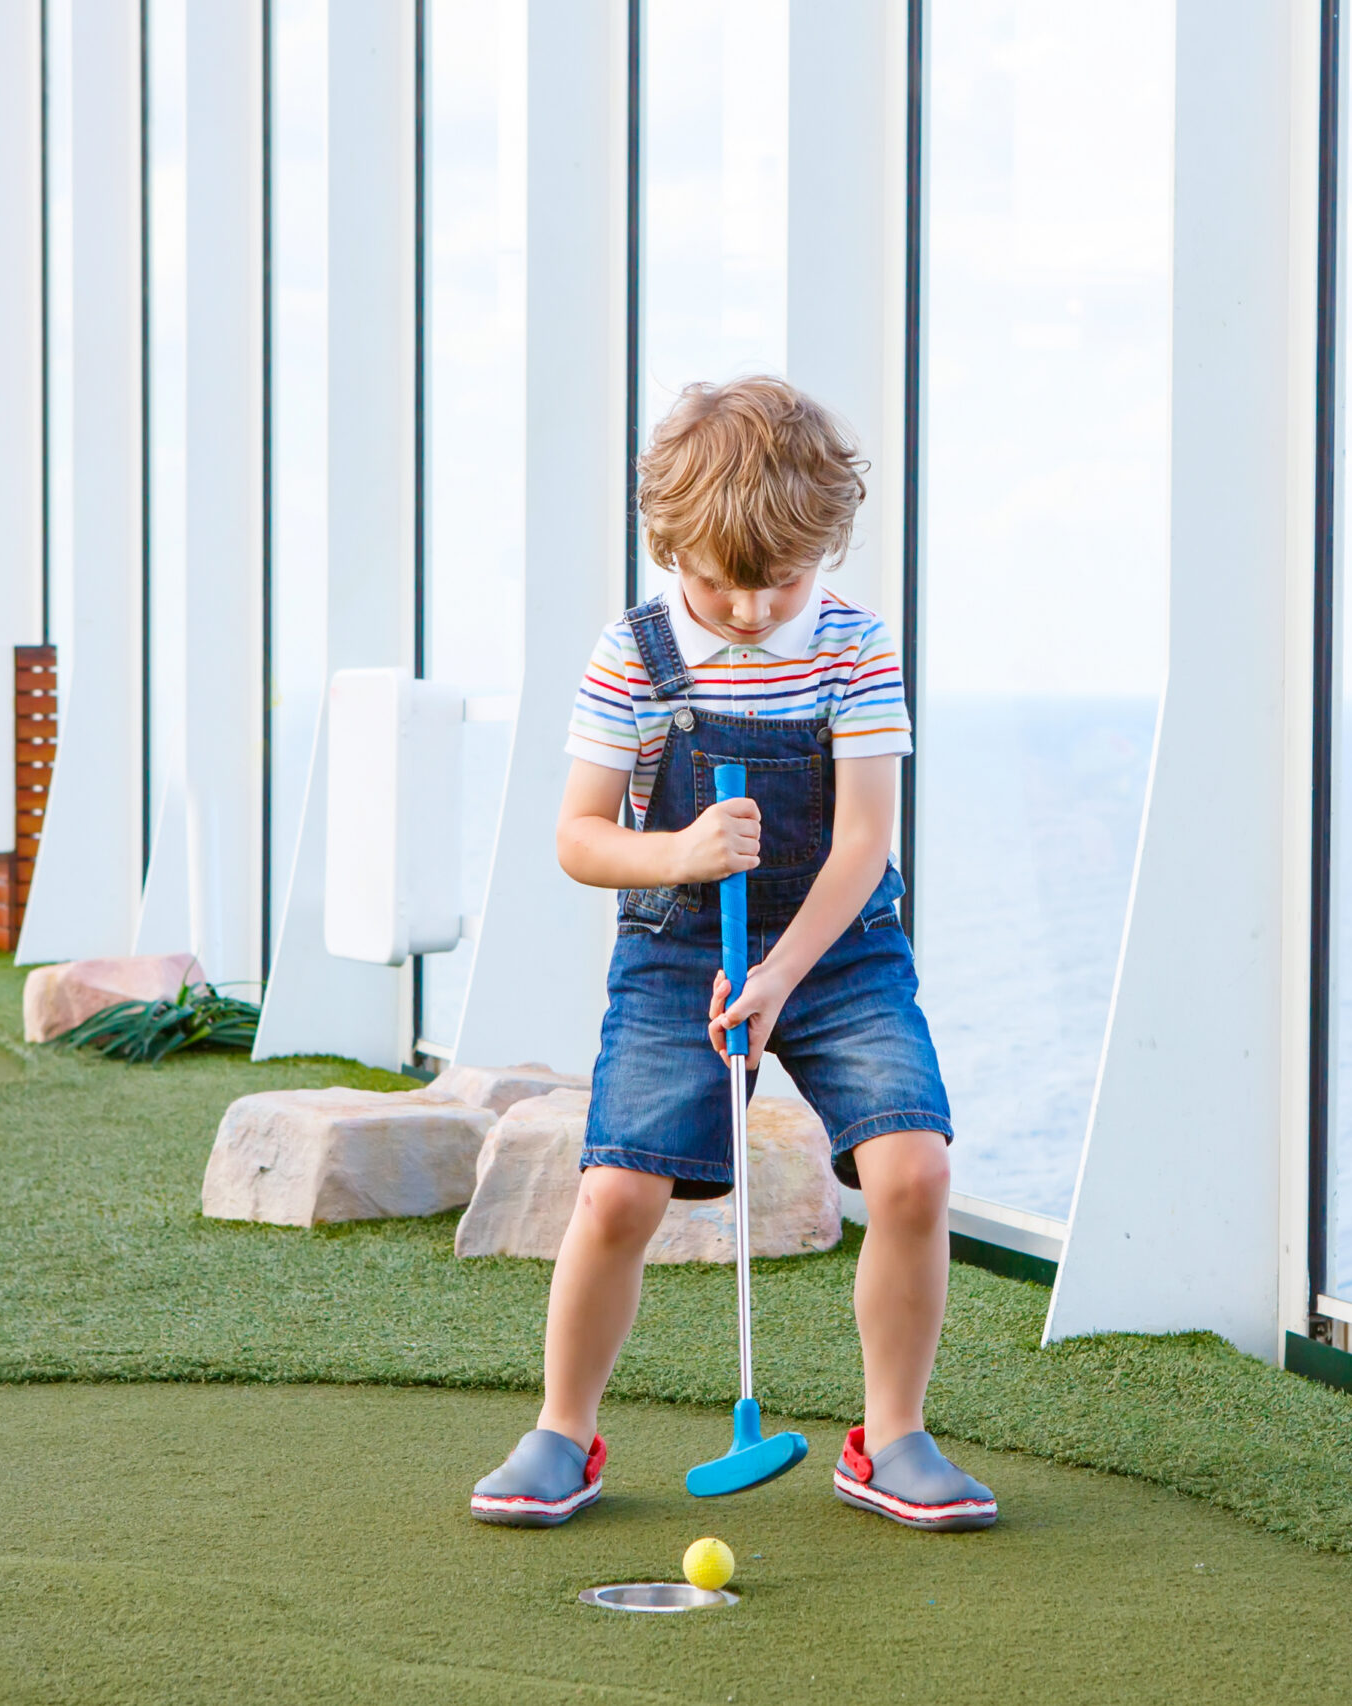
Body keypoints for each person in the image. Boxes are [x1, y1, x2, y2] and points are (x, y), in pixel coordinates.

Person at [467, 376, 996, 1533]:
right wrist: (688, 854)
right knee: (616, 1190)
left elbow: (862, 843)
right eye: (718, 583)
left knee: (913, 1171)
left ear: (824, 549)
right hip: (673, 950)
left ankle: (891, 1436)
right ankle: (562, 1429)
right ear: (669, 545)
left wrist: (779, 974)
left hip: (837, 946)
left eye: (779, 583)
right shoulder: (633, 654)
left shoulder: (853, 646)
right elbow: (578, 838)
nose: (750, 611)